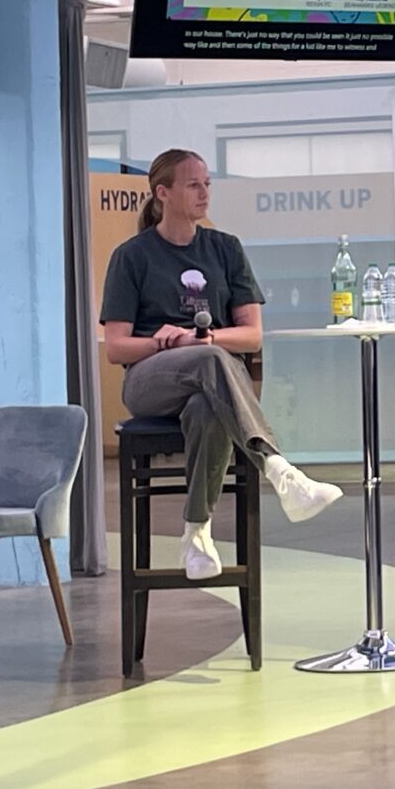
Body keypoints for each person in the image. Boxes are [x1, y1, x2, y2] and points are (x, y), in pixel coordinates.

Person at [101, 149, 342, 580]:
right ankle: (278, 470)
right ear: (163, 193)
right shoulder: (132, 256)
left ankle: (196, 535)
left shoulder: (225, 248)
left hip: (213, 382)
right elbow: (116, 348)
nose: (204, 193)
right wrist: (162, 342)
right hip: (150, 380)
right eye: (193, 184)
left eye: (207, 184)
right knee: (211, 358)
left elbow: (251, 335)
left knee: (207, 405)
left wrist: (206, 339)